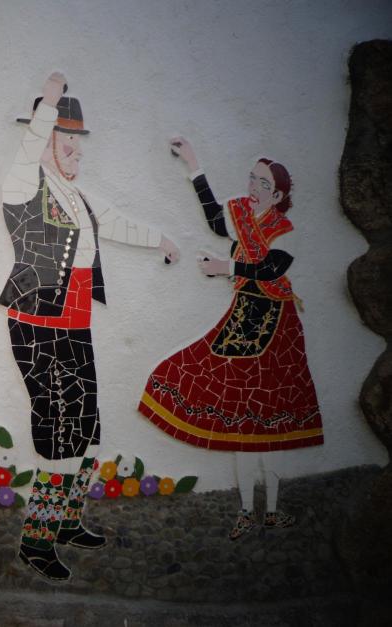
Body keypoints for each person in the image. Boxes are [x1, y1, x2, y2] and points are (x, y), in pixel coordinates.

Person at [0, 72, 179, 580]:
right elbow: (27, 151)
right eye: (66, 140)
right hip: (37, 322)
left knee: (88, 423)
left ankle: (67, 520)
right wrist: (49, 103)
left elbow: (115, 219)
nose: (77, 150)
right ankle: (36, 541)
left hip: (75, 323)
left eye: (79, 141)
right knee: (58, 424)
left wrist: (161, 240)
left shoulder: (75, 194)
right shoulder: (23, 183)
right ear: (44, 140)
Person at [138, 137, 323, 539]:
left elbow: (272, 270)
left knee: (270, 424)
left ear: (277, 195)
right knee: (239, 421)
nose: (252, 187)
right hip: (240, 321)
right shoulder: (241, 217)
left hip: (276, 328)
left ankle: (271, 510)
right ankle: (245, 510)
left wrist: (227, 267)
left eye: (262, 183)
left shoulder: (284, 230)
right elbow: (213, 217)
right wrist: (193, 165)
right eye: (251, 179)